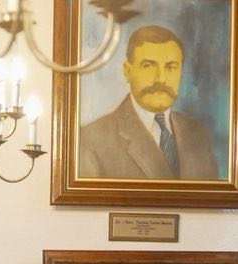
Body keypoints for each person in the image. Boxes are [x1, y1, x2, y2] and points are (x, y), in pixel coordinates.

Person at [78, 24, 221, 180]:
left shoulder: (197, 133)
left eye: (171, 67)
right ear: (127, 71)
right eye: (148, 66)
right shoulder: (91, 139)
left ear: (181, 72)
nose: (161, 78)